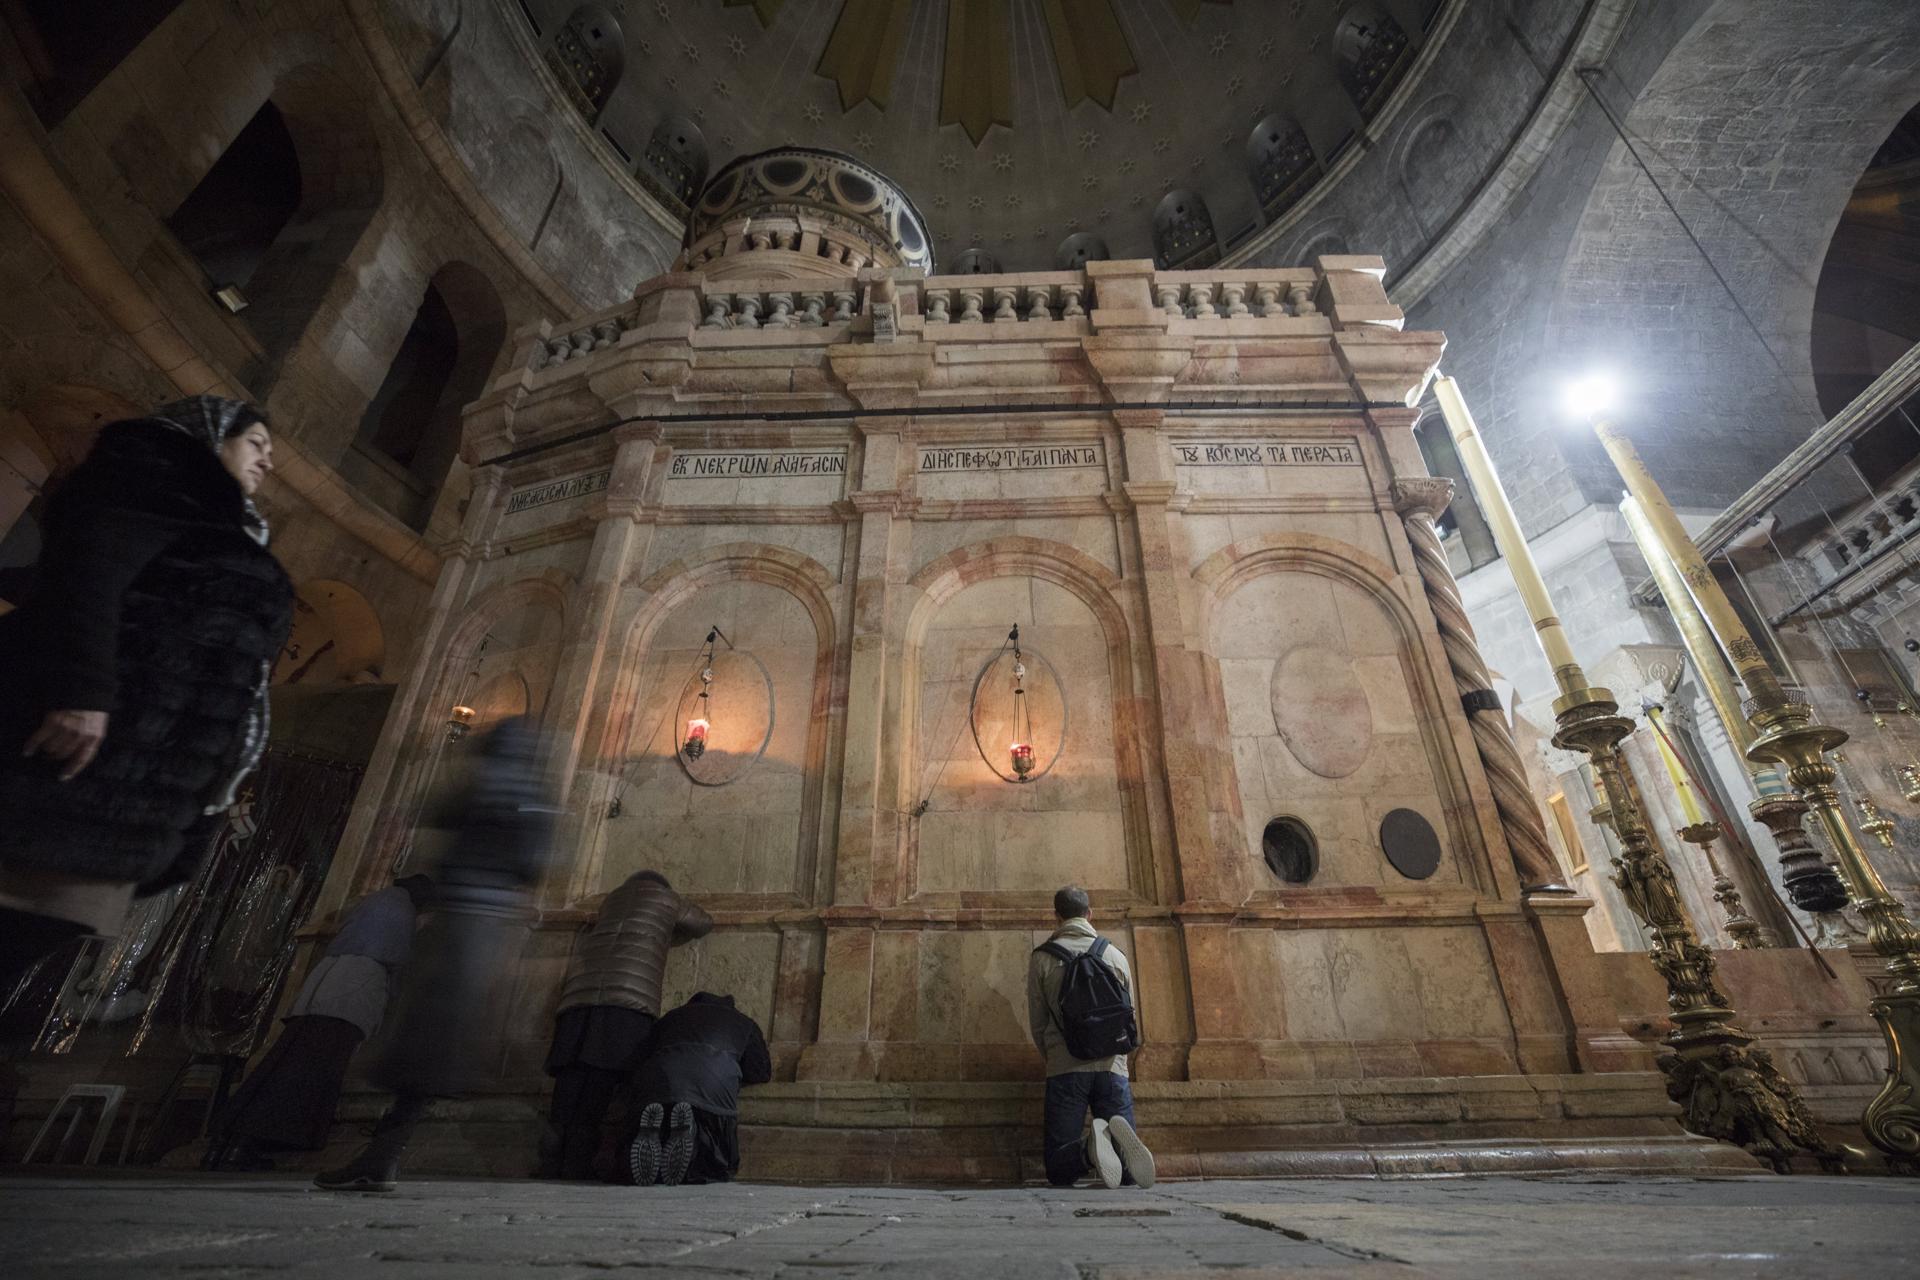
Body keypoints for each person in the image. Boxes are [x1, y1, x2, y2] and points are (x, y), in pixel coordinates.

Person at [0, 397, 290, 991]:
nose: (267, 460)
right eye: (255, 442)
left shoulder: (229, 525)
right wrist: (82, 692)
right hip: (78, 768)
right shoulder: (155, 480)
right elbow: (88, 576)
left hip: (131, 794)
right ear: (211, 437)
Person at [314, 718, 555, 1192]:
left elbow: (436, 812)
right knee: (446, 1043)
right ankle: (382, 1155)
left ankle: (534, 1140)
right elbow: (534, 863)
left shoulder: (493, 781)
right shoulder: (535, 794)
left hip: (463, 919)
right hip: (493, 924)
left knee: (432, 1041)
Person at [204, 875, 434, 1171]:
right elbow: (394, 957)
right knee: (308, 1072)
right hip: (352, 992)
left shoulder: (379, 901)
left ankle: (226, 1146)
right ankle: (247, 1146)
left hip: (325, 984)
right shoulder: (400, 911)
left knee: (284, 1063)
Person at [540, 870, 712, 1178]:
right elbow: (701, 923)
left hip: (578, 999)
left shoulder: (610, 902)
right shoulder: (666, 898)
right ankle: (578, 1165)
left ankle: (551, 1160)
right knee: (600, 1088)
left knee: (569, 1083)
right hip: (626, 1002)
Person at [1026, 885, 1154, 1189]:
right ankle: (1116, 1152)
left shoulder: (1042, 958)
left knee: (1058, 1170)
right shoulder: (1114, 954)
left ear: (1056, 916)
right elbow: (1130, 1014)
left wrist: (1056, 1056)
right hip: (1113, 1067)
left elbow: (1038, 1021)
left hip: (1065, 1067)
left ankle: (1087, 1151)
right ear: (1089, 913)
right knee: (1126, 1175)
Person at [618, 991, 771, 1187]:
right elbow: (761, 1071)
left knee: (659, 1108)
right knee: (711, 1138)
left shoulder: (671, 1018)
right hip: (711, 1087)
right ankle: (691, 1136)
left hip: (656, 1082)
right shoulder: (744, 1023)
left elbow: (638, 1058)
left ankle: (654, 1133)